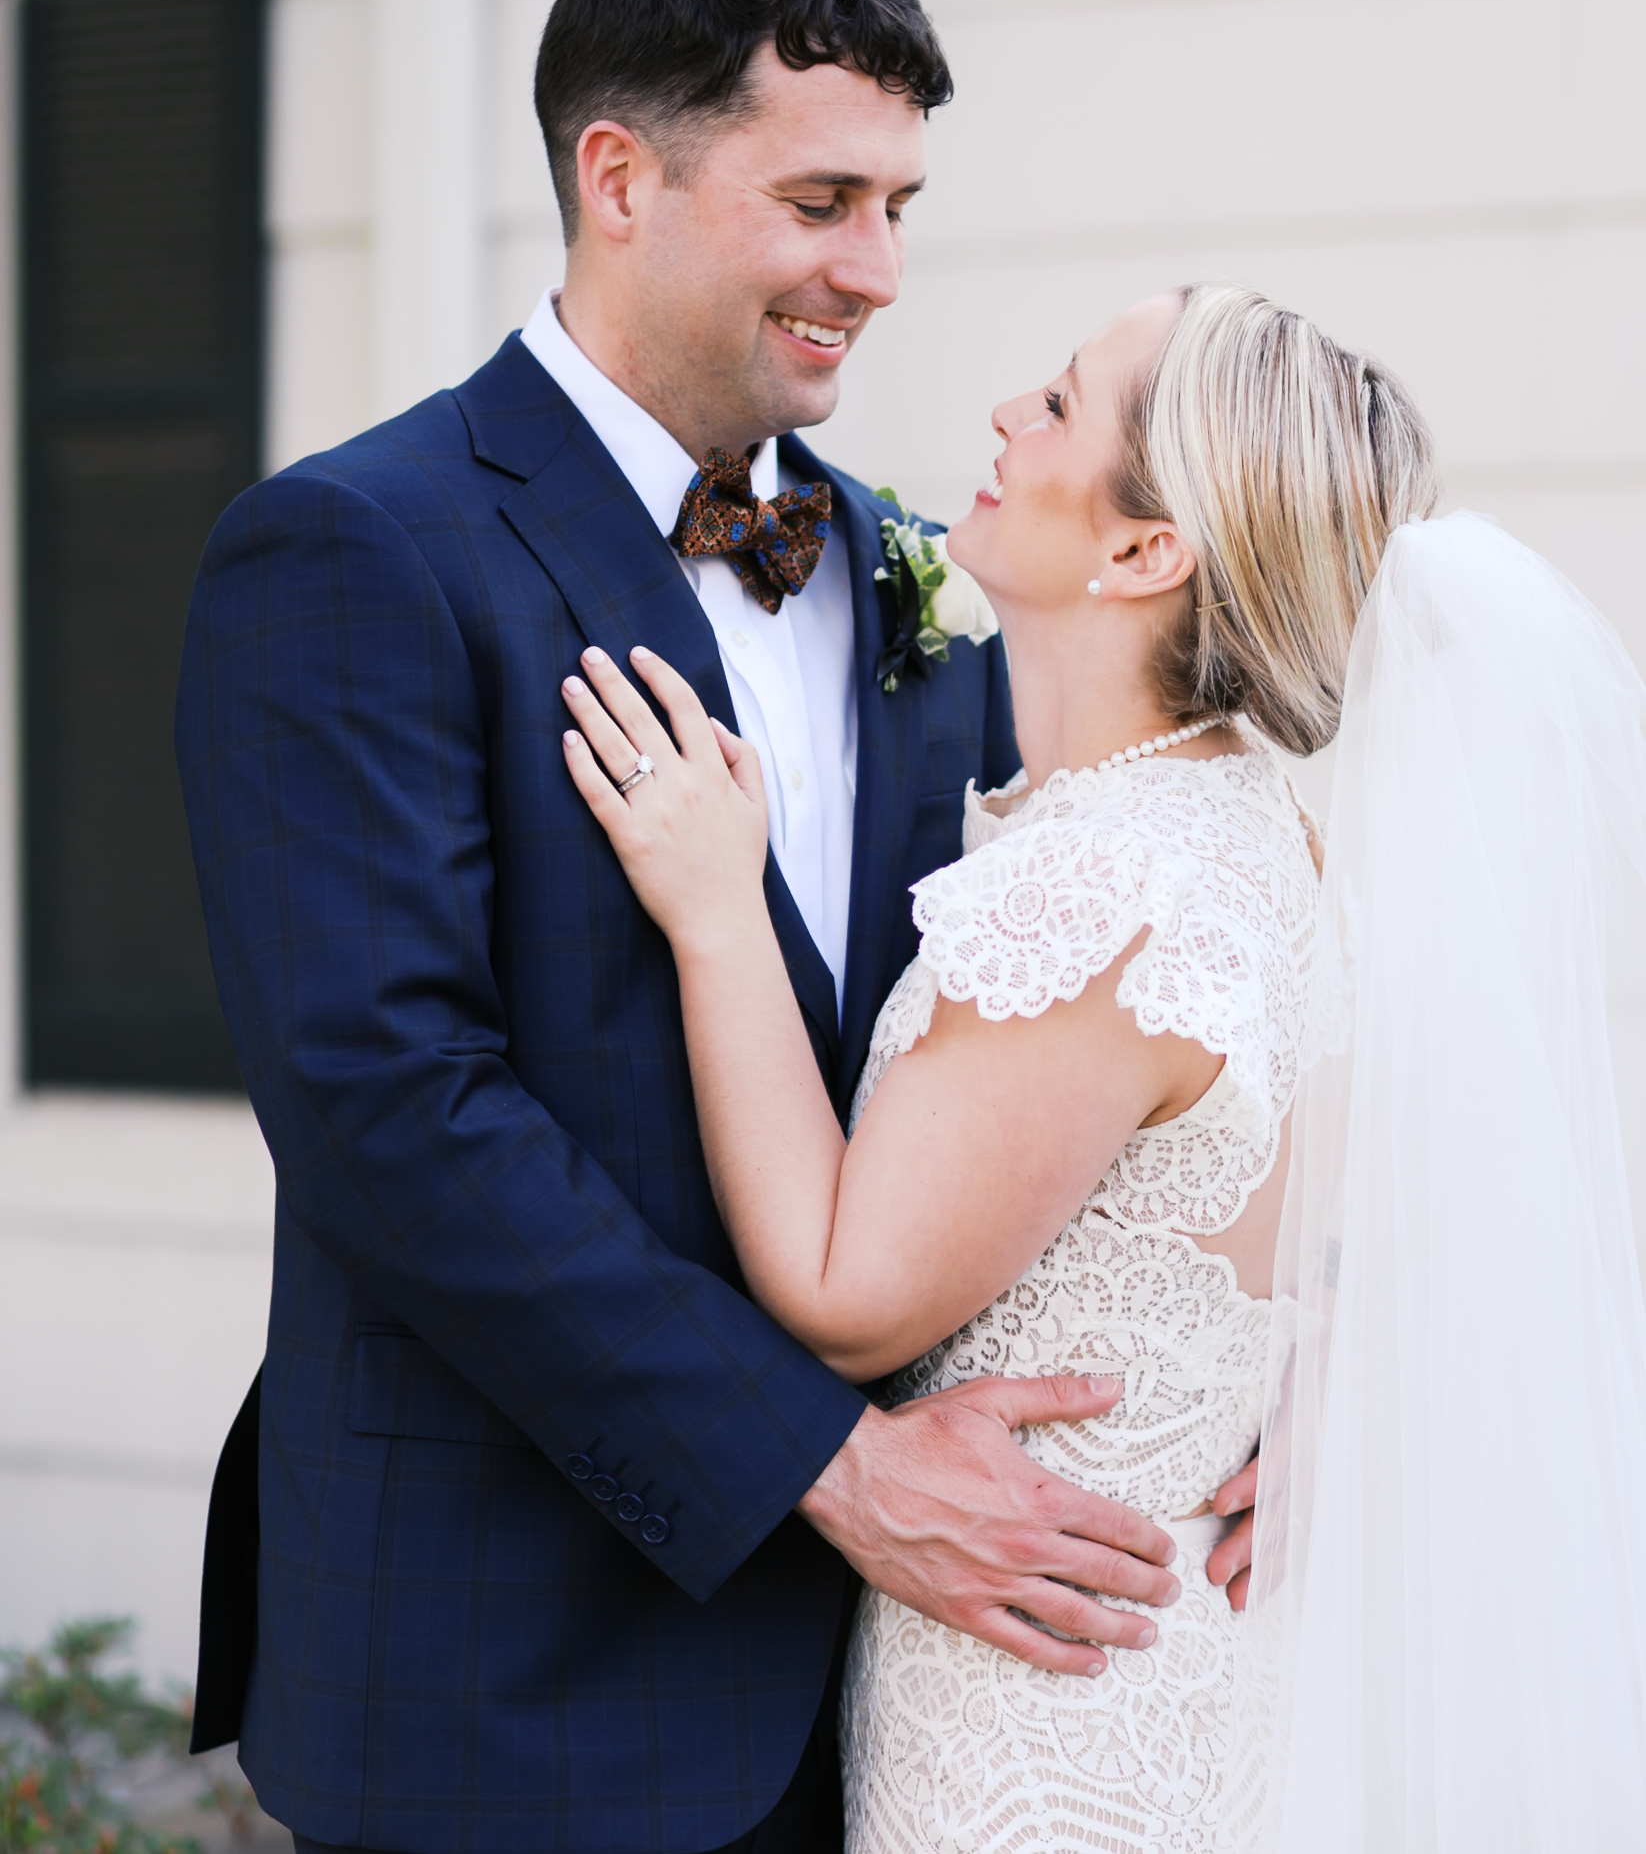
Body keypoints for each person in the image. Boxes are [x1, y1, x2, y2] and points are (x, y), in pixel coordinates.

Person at [175, 0, 1189, 1854]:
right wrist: (832, 1464)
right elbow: (390, 1108)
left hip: (914, 1679)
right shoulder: (350, 551)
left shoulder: (913, 563)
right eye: (823, 198)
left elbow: (1022, 1041)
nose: (876, 269)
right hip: (514, 1670)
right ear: (617, 174)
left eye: (899, 203)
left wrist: (1216, 1412)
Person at [561, 281, 1646, 1846]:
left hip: (1040, 1717)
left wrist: (716, 908)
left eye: (1059, 402)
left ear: (1146, 552)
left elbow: (837, 1280)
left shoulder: (1108, 893)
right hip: (1174, 1671)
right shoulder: (1275, 835)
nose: (1007, 416)